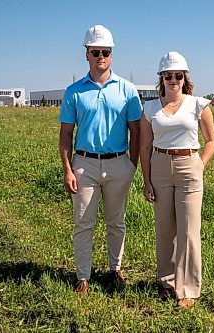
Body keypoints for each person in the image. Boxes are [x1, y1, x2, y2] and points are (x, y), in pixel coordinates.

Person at [58, 24, 142, 294]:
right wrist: (68, 169)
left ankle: (115, 271)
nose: (100, 57)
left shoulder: (128, 90)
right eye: (95, 52)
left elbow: (137, 131)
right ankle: (83, 276)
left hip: (120, 163)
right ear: (86, 54)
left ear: (112, 54)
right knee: (84, 223)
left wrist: (133, 164)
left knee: (116, 221)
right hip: (84, 164)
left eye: (105, 51)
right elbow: (66, 134)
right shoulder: (73, 92)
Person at [139, 51, 214, 308]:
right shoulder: (150, 107)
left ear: (185, 77)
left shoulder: (198, 104)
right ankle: (167, 283)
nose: (173, 80)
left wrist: (199, 165)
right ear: (161, 78)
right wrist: (147, 180)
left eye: (178, 75)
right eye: (168, 75)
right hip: (159, 166)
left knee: (189, 231)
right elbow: (145, 146)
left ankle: (189, 290)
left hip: (188, 167)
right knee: (164, 230)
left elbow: (211, 141)